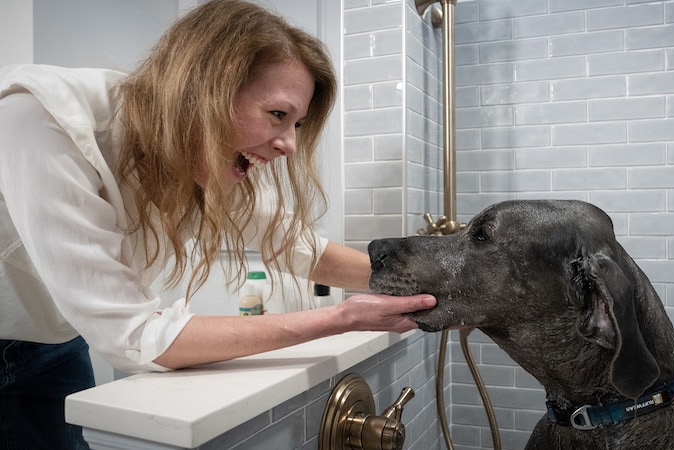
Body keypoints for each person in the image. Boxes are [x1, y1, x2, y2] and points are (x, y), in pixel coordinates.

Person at [0, 1, 436, 448]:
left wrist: (433, 284)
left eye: (298, 123)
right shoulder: (43, 119)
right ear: (202, 87)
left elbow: (300, 248)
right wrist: (341, 317)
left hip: (56, 341)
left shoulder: (206, 157)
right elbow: (136, 339)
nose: (289, 144)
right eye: (278, 114)